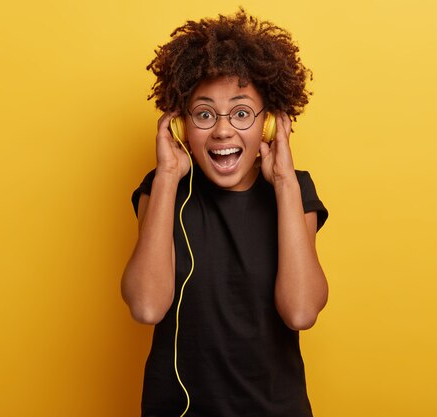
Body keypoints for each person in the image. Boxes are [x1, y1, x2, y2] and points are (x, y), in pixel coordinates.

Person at [122, 8, 328, 417]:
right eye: (203, 114)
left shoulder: (293, 189)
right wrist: (166, 175)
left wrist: (284, 182)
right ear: (181, 126)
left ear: (268, 125)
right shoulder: (163, 188)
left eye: (240, 113)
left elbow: (301, 312)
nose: (222, 130)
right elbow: (146, 307)